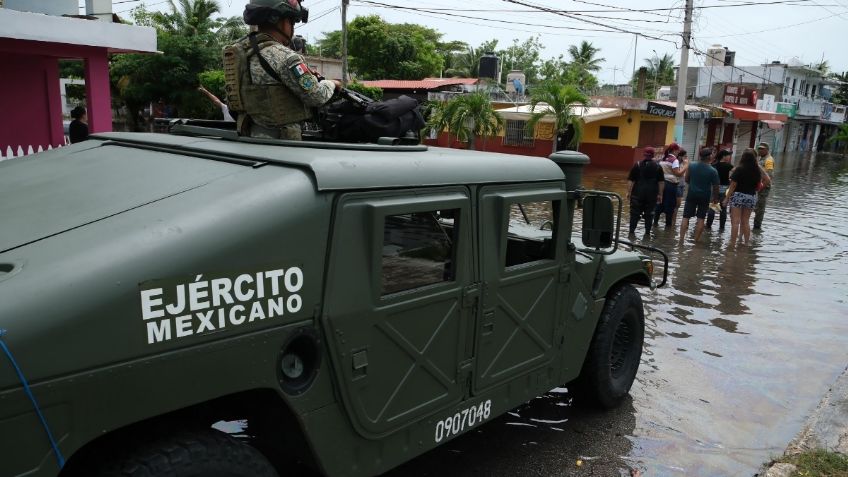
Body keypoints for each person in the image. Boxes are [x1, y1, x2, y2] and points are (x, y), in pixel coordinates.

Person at [223, 0, 341, 140]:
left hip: (248, 137)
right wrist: (333, 83)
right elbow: (317, 96)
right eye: (292, 21)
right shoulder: (286, 57)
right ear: (282, 21)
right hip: (283, 144)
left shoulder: (240, 53)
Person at [723, 149, 771, 246]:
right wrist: (758, 189)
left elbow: (733, 185)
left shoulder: (739, 169)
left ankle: (732, 244)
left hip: (738, 196)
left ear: (743, 157)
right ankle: (746, 244)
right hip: (751, 197)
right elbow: (767, 179)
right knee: (745, 221)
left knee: (735, 222)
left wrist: (726, 198)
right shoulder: (757, 169)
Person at [679, 147, 719, 243]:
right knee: (701, 218)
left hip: (691, 194)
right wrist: (715, 199)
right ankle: (696, 242)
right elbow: (716, 187)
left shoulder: (691, 165)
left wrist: (693, 184)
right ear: (709, 157)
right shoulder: (713, 171)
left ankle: (681, 240)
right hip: (705, 197)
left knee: (685, 217)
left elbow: (687, 179)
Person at [626, 146, 665, 237]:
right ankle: (647, 234)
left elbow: (630, 180)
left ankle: (631, 234)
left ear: (644, 154)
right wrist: (660, 194)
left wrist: (629, 192)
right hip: (651, 195)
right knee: (649, 215)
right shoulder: (658, 167)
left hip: (637, 194)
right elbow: (661, 182)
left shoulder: (637, 165)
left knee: (634, 215)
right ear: (653, 155)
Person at [653, 144, 684, 228]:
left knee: (659, 204)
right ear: (674, 150)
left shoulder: (663, 158)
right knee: (670, 206)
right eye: (678, 150)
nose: (678, 152)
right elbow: (677, 173)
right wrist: (685, 167)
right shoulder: (674, 160)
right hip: (670, 186)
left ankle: (654, 225)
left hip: (661, 184)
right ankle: (668, 227)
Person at [706, 149, 733, 231]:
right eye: (728, 155)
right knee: (723, 209)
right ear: (724, 156)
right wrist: (730, 179)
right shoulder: (729, 166)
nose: (729, 157)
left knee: (712, 207)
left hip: (714, 188)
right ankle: (721, 228)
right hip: (724, 189)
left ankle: (708, 226)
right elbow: (736, 174)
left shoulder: (714, 165)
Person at [753, 142, 774, 230]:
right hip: (759, 185)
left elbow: (769, 176)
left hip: (764, 186)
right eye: (759, 149)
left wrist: (760, 187)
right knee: (757, 206)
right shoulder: (761, 158)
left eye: (762, 149)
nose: (760, 150)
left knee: (760, 207)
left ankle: (757, 227)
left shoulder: (768, 160)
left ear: (767, 150)